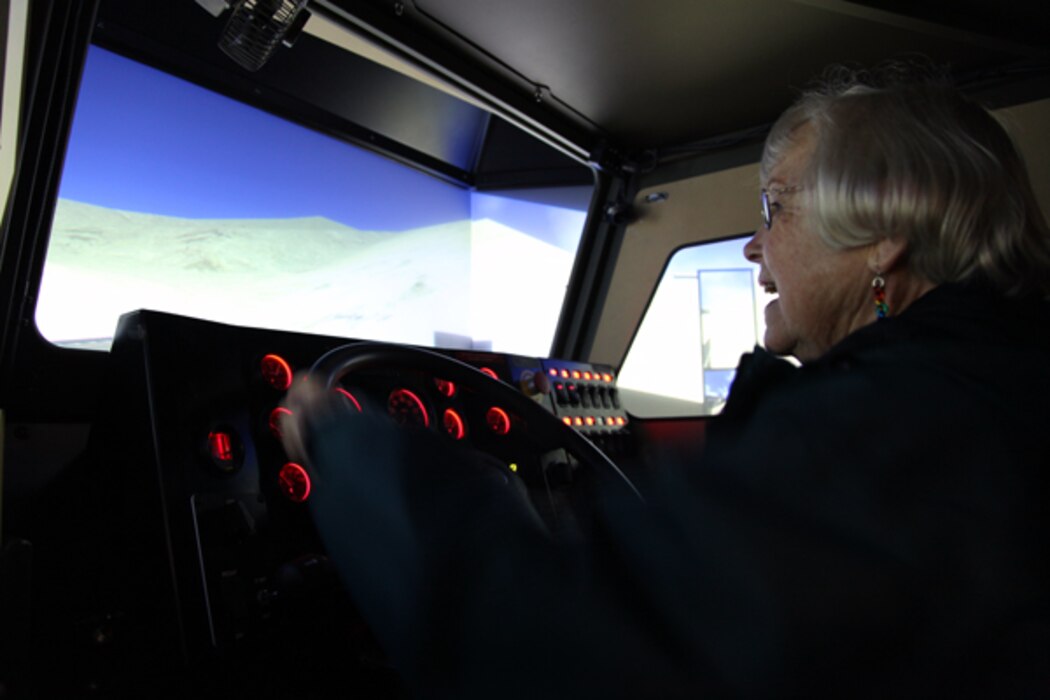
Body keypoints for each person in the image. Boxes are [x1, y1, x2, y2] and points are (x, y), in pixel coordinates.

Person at [281, 64, 1050, 698]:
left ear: (883, 234)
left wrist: (350, 454)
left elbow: (550, 660)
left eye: (774, 209)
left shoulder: (893, 430)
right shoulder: (981, 386)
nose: (755, 247)